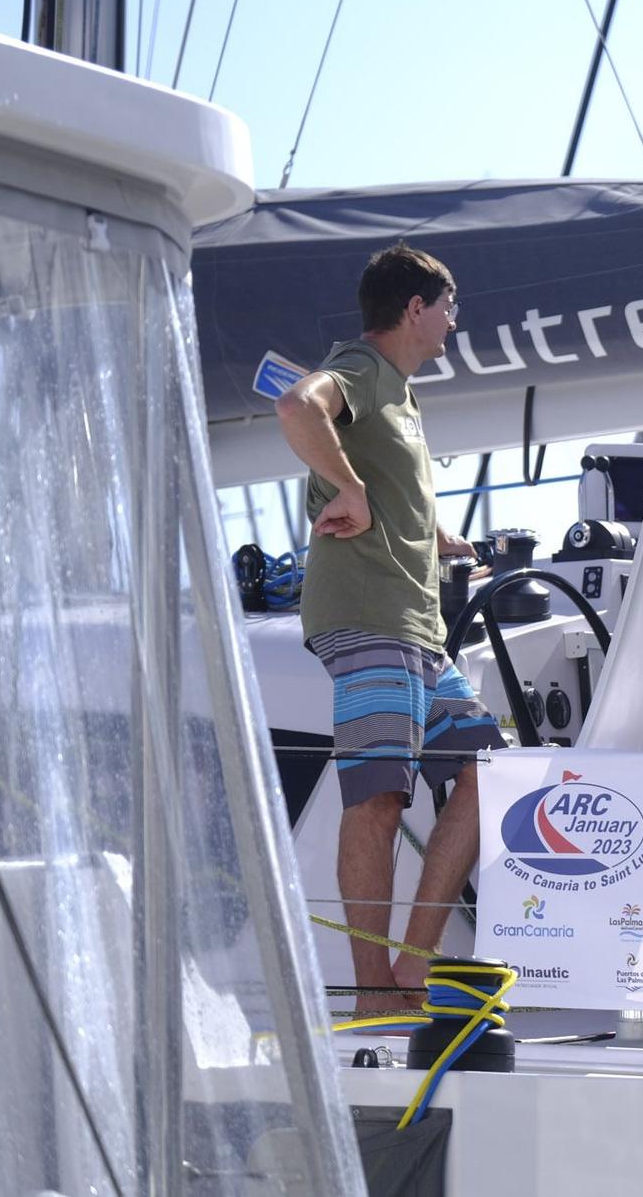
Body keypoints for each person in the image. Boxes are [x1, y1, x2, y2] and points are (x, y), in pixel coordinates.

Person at [276, 242, 503, 1015]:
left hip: (417, 628)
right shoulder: (365, 370)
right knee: (378, 798)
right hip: (370, 618)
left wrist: (437, 535)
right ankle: (375, 993)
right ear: (415, 308)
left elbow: (385, 479)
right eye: (448, 307)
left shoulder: (400, 396)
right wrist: (344, 486)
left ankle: (412, 968)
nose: (453, 323)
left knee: (483, 774)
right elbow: (297, 406)